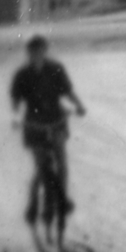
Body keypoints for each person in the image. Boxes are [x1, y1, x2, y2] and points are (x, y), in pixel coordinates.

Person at [10, 34, 86, 222]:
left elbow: (67, 91)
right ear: (28, 53)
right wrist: (15, 117)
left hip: (56, 120)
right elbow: (15, 101)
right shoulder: (22, 75)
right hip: (34, 125)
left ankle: (63, 199)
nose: (36, 54)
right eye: (32, 51)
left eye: (40, 50)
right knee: (41, 165)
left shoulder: (56, 69)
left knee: (61, 162)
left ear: (45, 51)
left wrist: (79, 105)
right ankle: (32, 204)